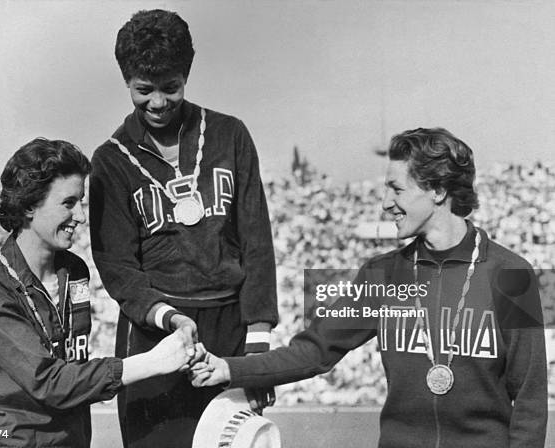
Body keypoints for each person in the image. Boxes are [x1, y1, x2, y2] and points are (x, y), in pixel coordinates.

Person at [191, 128, 548, 448]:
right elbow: (315, 351)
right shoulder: (383, 274)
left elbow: (530, 402)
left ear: (438, 190)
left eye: (396, 189)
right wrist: (230, 368)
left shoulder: (513, 274)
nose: (385, 203)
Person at [89, 9, 278, 447]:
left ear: (186, 77)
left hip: (229, 326)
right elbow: (118, 267)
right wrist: (167, 317)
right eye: (144, 90)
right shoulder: (111, 160)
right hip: (156, 330)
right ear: (127, 83)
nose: (157, 102)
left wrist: (258, 344)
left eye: (170, 87)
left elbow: (257, 241)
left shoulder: (230, 135)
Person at [0, 138, 194, 447]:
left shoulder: (75, 271)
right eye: (69, 203)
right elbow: (49, 382)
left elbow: (73, 365)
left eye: (81, 202)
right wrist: (152, 362)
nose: (82, 216)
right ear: (29, 205)